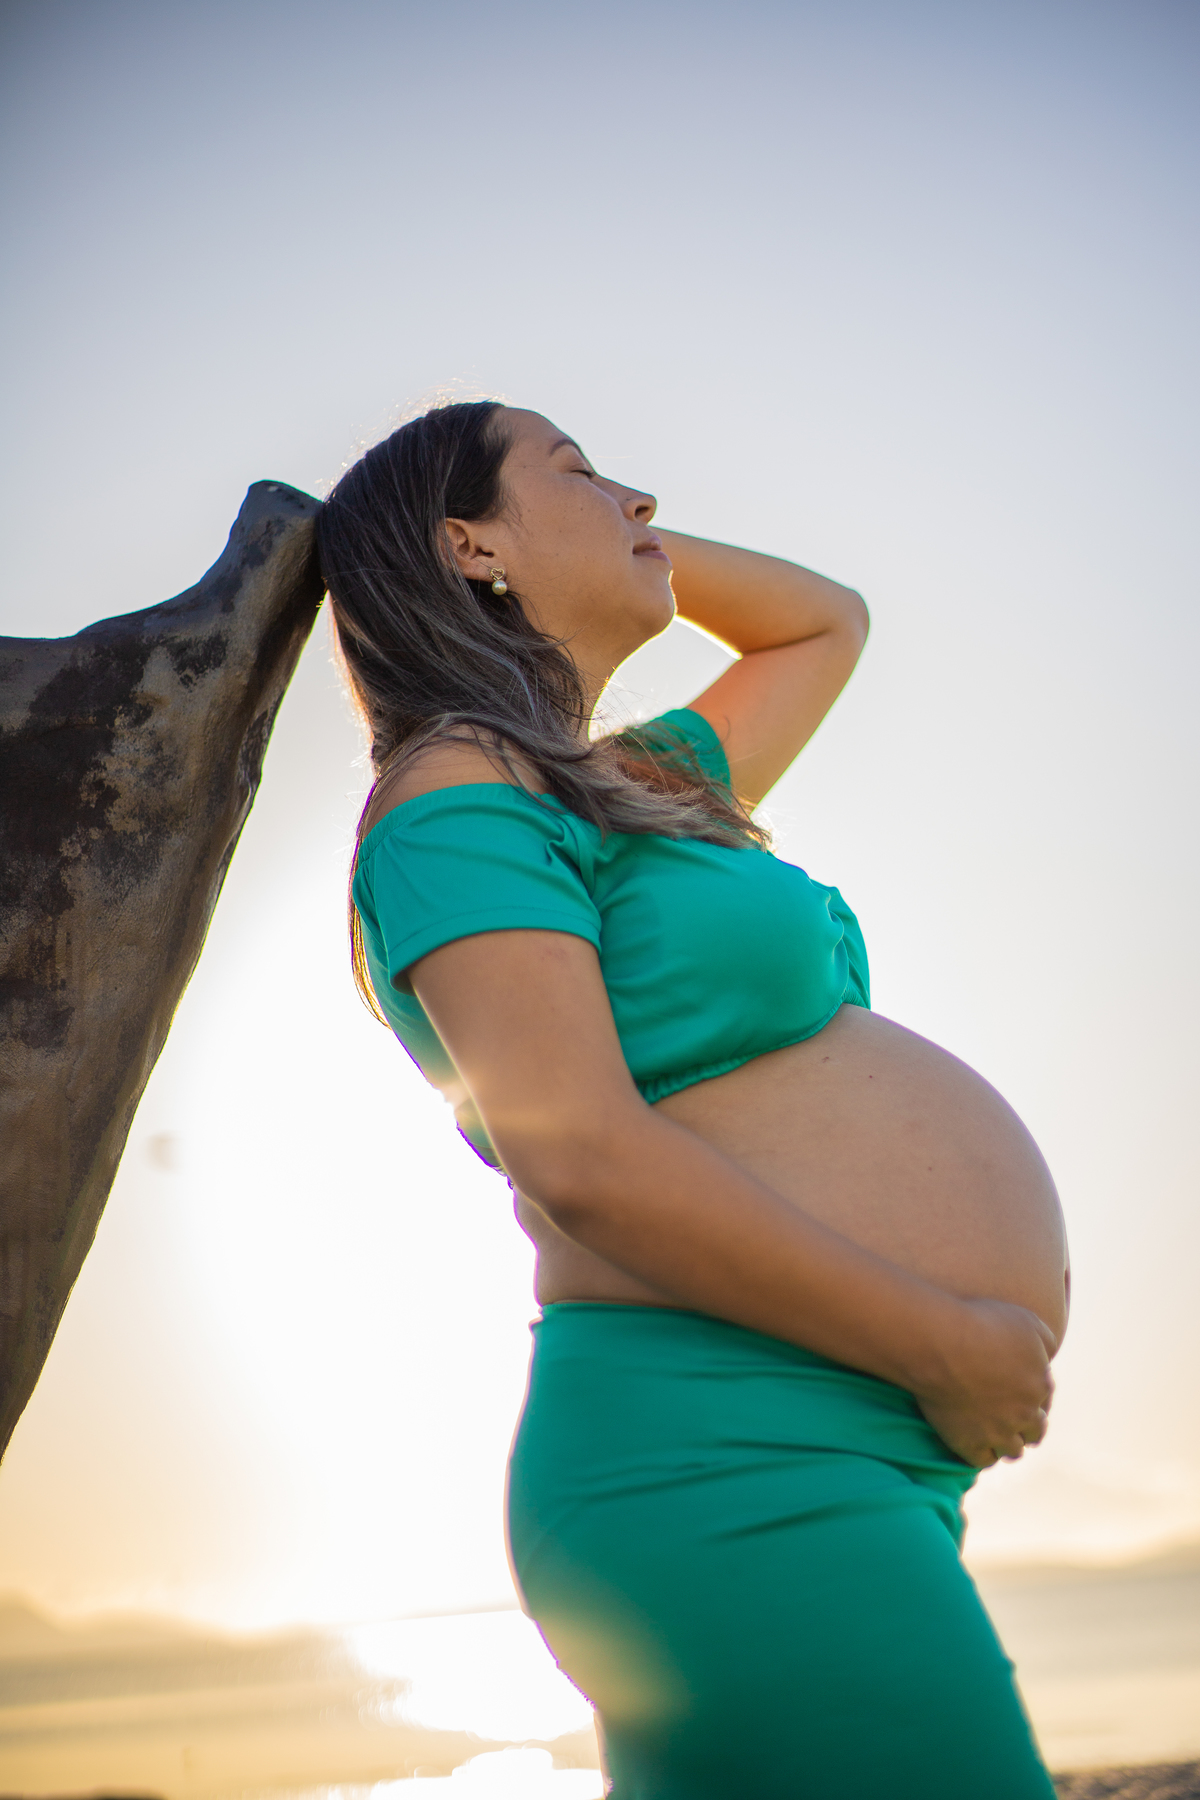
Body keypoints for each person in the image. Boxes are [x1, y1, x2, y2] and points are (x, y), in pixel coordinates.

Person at [315, 399, 1068, 1799]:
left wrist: (620, 537)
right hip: (724, 1455)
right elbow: (578, 1157)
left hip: (836, 1448)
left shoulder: (621, 788)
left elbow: (820, 625)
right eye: (580, 471)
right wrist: (941, 1341)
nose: (639, 495)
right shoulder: (456, 800)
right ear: (470, 542)